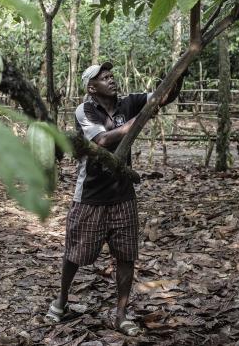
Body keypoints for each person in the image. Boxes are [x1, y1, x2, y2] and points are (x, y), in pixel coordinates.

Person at [45, 62, 183, 336]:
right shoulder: (84, 110)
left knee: (126, 255)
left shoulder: (129, 103)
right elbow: (102, 141)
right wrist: (138, 120)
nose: (110, 79)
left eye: (111, 75)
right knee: (76, 253)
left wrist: (180, 73)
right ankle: (61, 300)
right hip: (91, 196)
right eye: (103, 78)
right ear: (91, 87)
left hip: (123, 195)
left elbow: (163, 97)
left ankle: (121, 314)